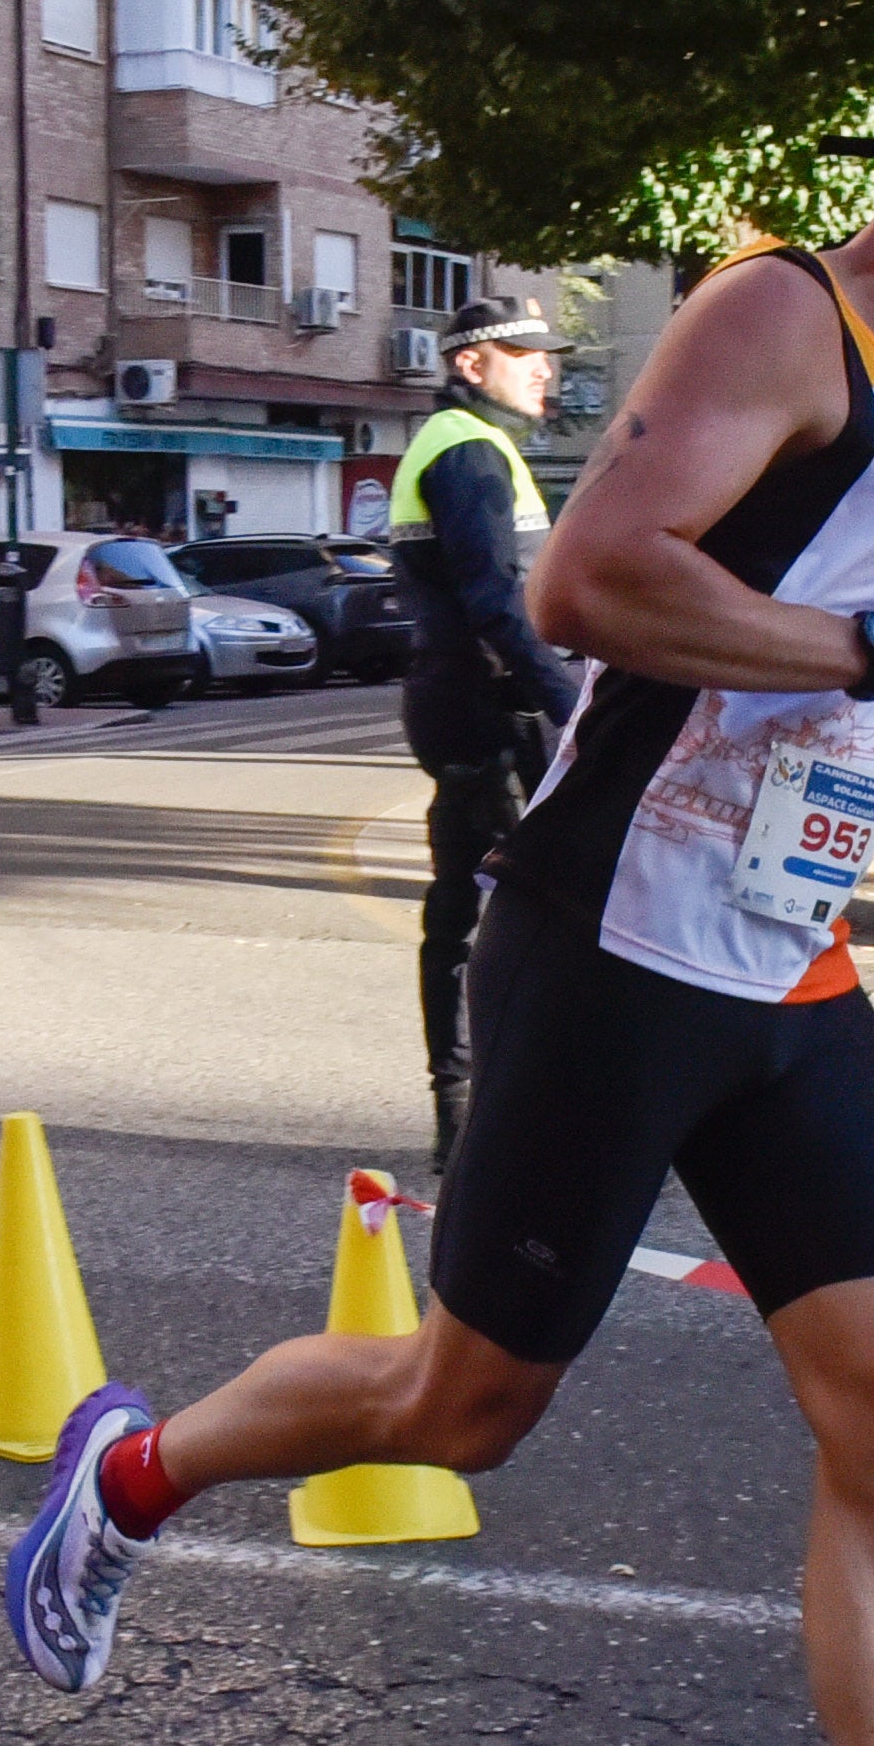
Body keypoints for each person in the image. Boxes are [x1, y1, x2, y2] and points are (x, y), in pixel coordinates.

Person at [7, 36, 874, 1746]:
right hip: (613, 946)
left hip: (785, 958)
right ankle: (127, 1472)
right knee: (461, 1407)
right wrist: (868, 653)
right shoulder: (783, 314)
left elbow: (808, 639)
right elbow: (596, 580)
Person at [385, 297, 583, 1170]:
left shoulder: (463, 443)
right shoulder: (469, 452)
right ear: (471, 365)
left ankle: (461, 1116)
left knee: (465, 914)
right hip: (486, 710)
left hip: (459, 702)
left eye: (549, 353)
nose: (545, 367)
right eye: (523, 352)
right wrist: (572, 702)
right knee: (555, 914)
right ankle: (524, 1120)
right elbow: (494, 601)